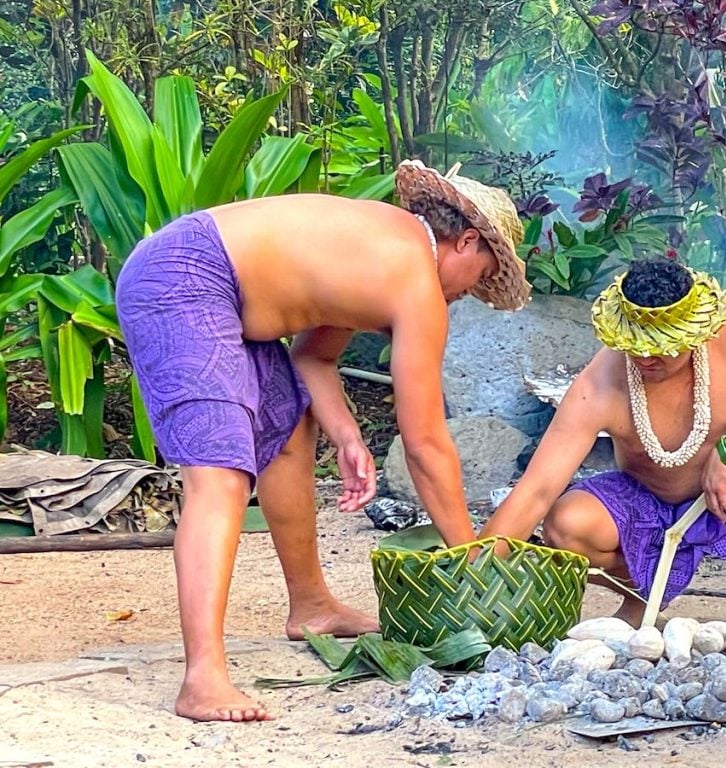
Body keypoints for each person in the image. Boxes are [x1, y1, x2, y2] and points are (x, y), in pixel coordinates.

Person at [115, 161, 529, 722]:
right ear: (467, 241)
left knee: (288, 426)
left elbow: (312, 354)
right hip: (185, 280)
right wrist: (470, 560)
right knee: (220, 475)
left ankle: (311, 606)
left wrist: (344, 432)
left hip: (211, 285)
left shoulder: (384, 249)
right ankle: (203, 678)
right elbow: (426, 443)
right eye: (479, 275)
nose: (471, 292)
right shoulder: (416, 281)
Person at [482, 258, 726, 649]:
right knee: (567, 524)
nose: (647, 359)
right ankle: (646, 594)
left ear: (694, 332)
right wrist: (468, 574)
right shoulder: (601, 381)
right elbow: (536, 489)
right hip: (646, 508)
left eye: (662, 347)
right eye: (637, 347)